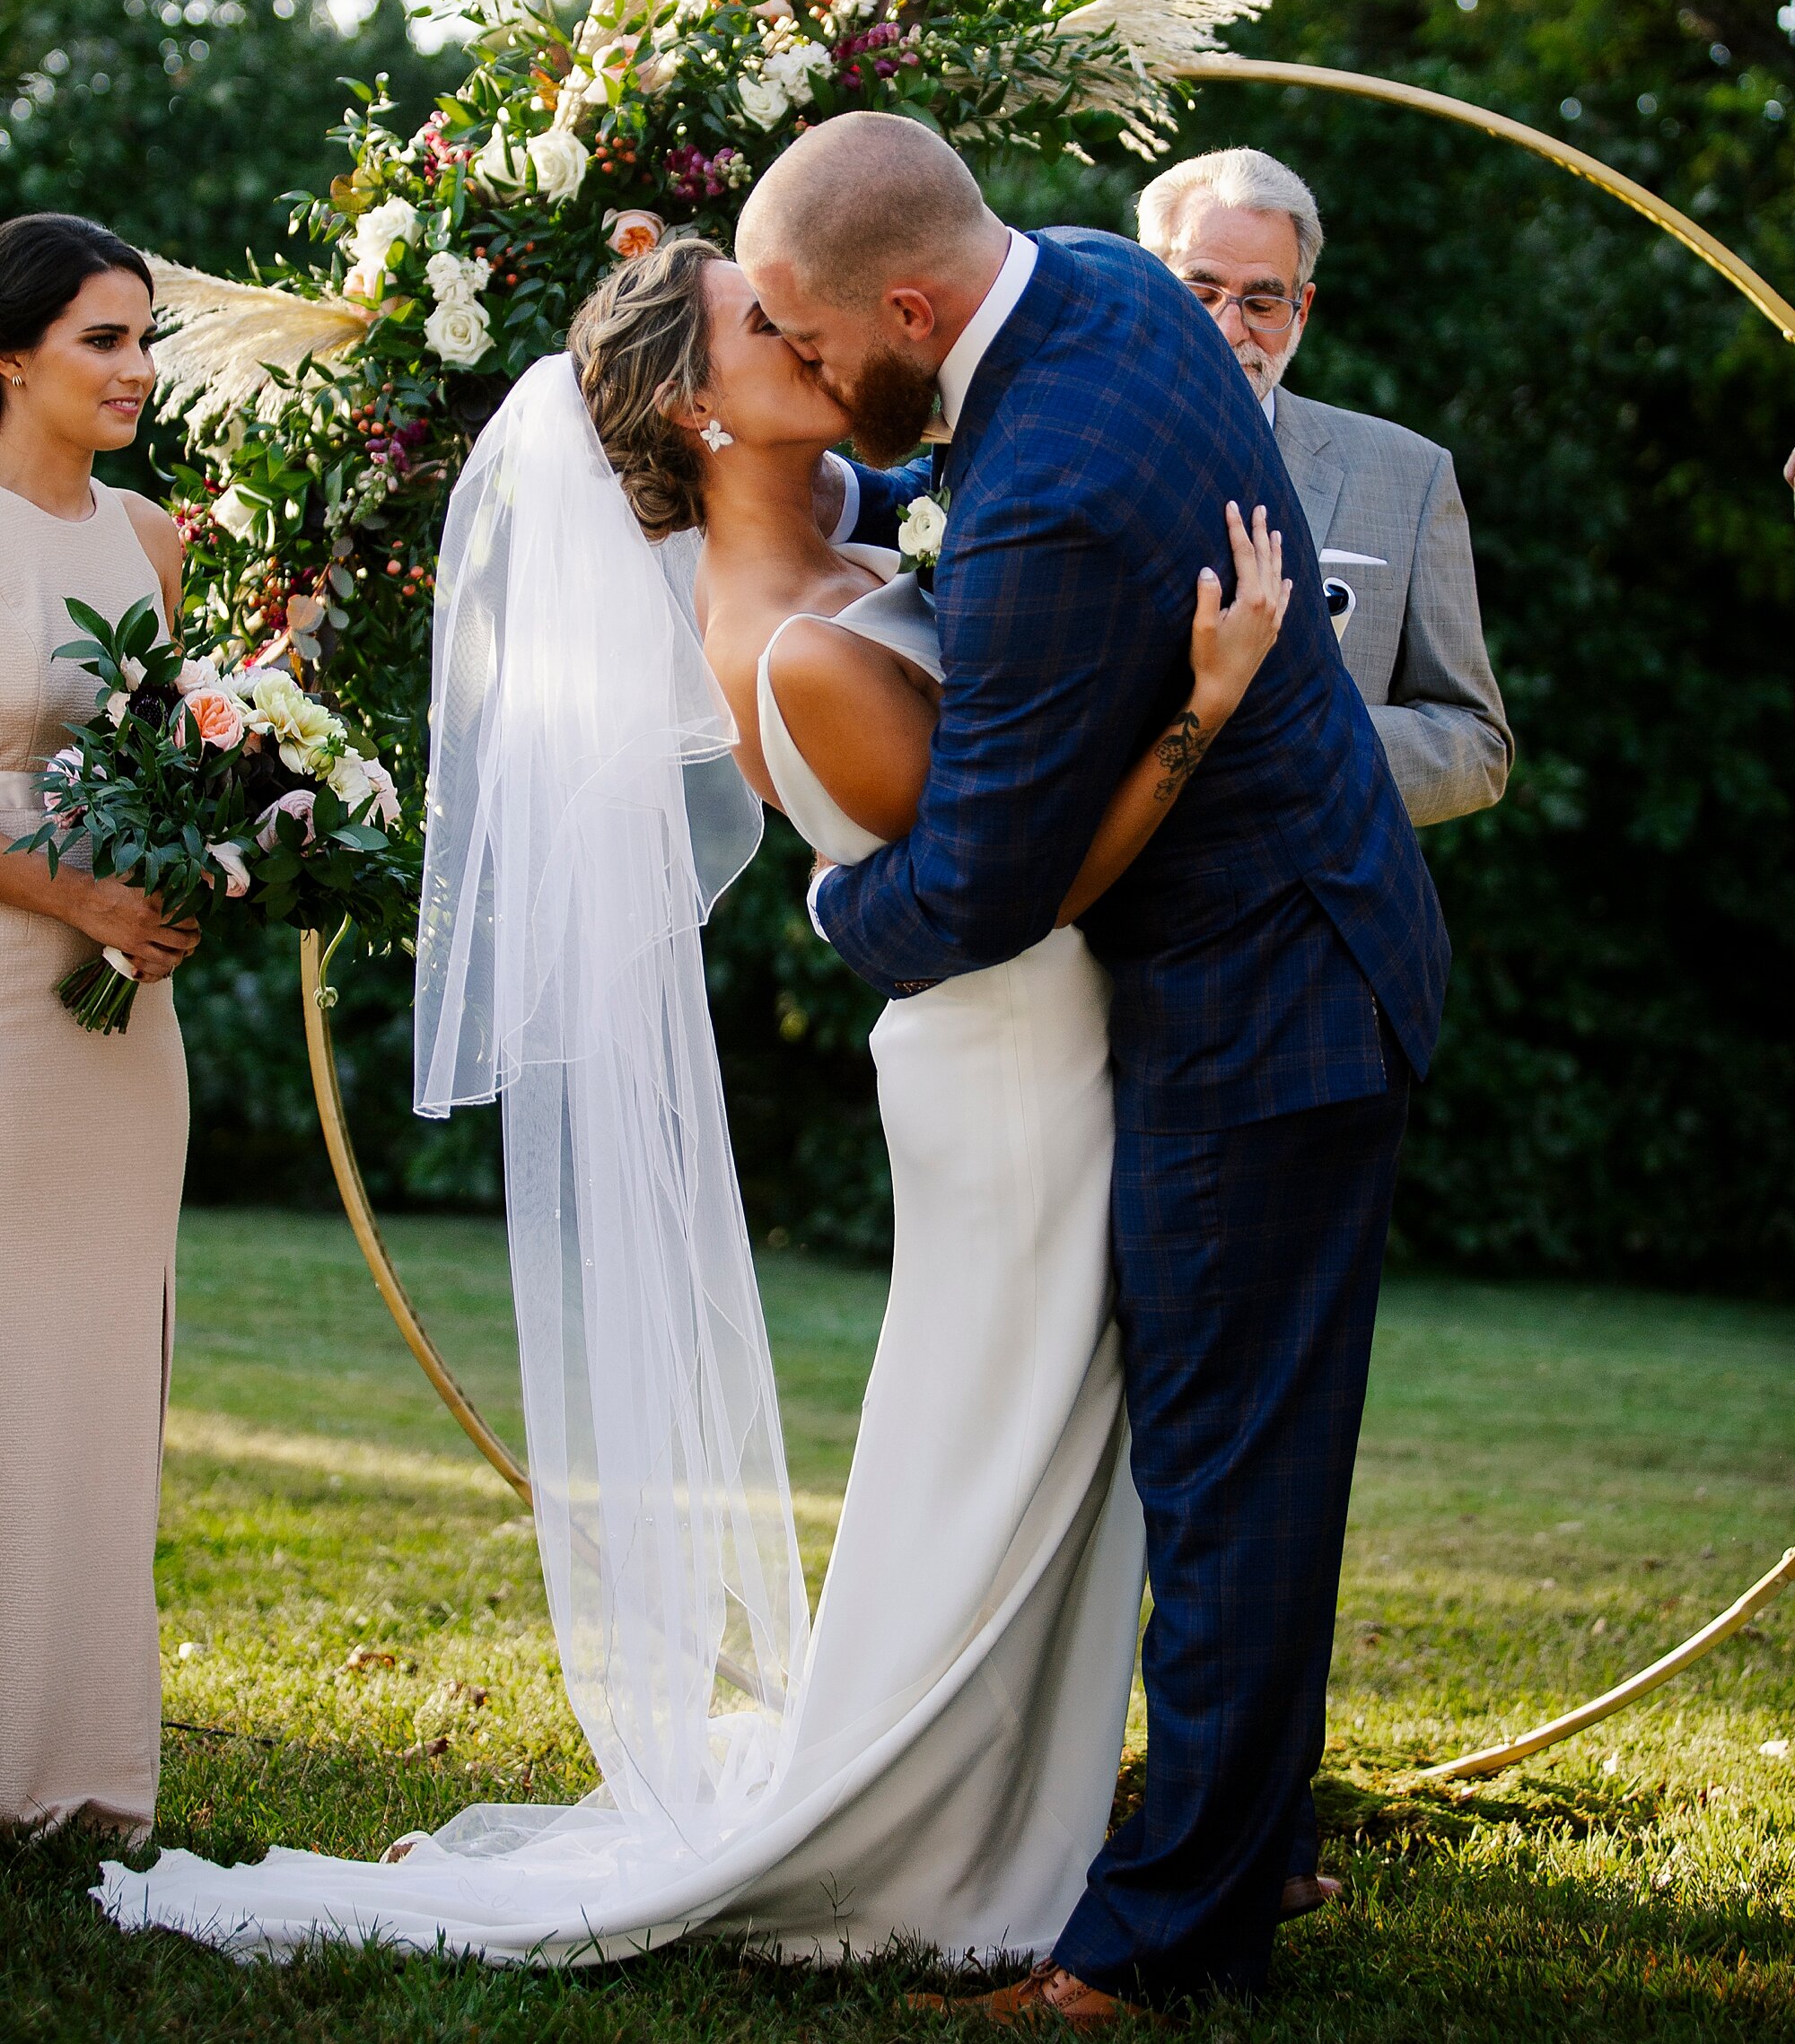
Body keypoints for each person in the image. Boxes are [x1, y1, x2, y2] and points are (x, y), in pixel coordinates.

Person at [96, 231, 1289, 1962]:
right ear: (692, 408)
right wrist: (1204, 710)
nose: (801, 334)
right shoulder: (790, 645)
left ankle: (1000, 1805)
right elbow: (1008, 894)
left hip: (1064, 1049)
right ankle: (925, 1832)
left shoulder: (851, 532)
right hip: (1013, 1071)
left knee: (1034, 1452)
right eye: (758, 324)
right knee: (1001, 1448)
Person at [735, 115, 1449, 2016]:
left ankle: (1157, 1948)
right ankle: (1257, 1842)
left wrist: (827, 907)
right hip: (1293, 944)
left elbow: (975, 889)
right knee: (1244, 1455)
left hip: (1262, 996)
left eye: (813, 347)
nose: (812, 381)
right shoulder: (1107, 284)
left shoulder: (1043, 479)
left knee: (1228, 1480)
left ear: (907, 303)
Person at [0, 212, 196, 1841]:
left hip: (122, 1019)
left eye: (143, 340)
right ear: (9, 353)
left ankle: (69, 1760)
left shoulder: (152, 540)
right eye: (101, 341)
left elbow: (188, 759)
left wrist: (220, 852)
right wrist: (70, 900)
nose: (137, 370)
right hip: (11, 974)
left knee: (90, 1357)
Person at [1137, 146, 1511, 830]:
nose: (1229, 328)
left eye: (1262, 300)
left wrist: (1298, 745)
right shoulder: (1067, 447)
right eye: (1200, 292)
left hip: (1303, 917)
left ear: (1301, 309)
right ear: (1148, 290)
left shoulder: (1410, 476)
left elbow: (1477, 745)